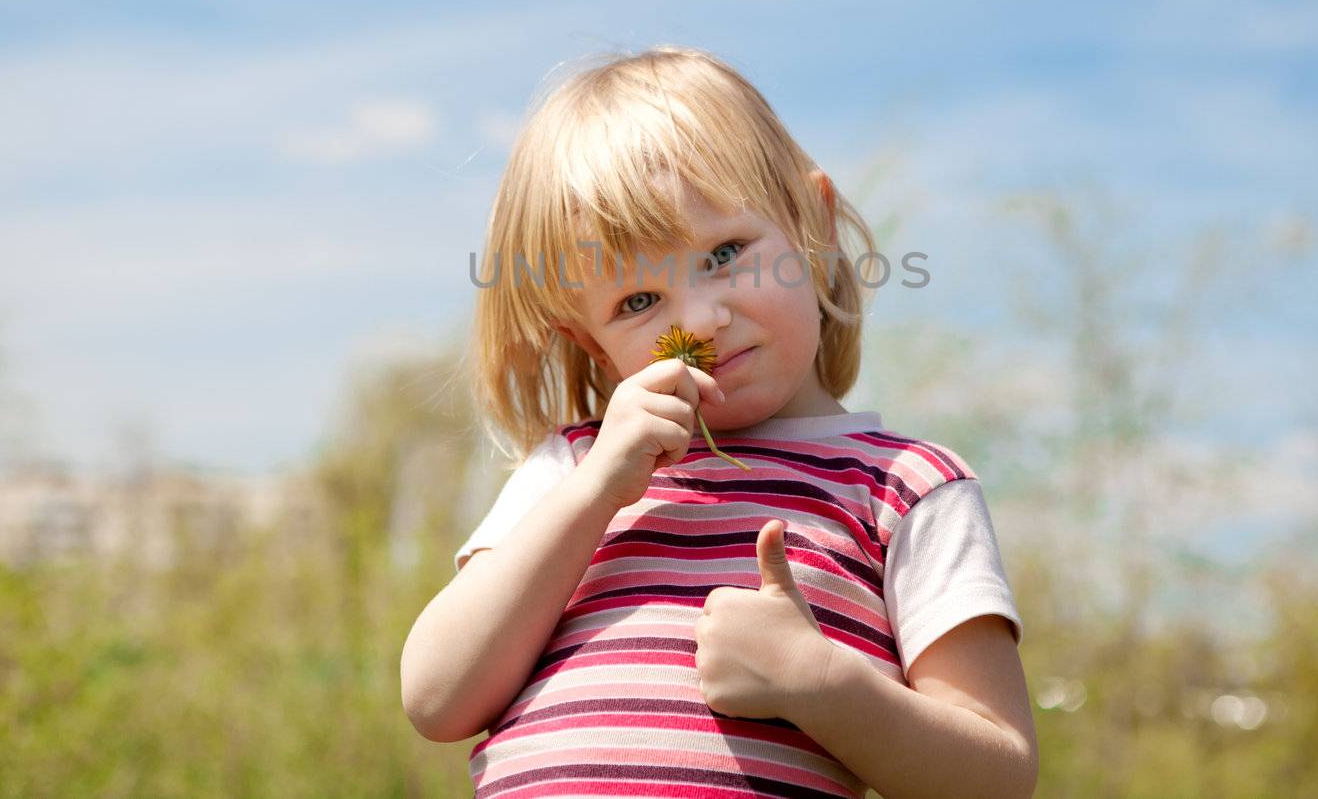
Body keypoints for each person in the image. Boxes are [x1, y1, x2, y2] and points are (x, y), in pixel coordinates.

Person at [400, 46, 1037, 798]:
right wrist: (598, 488)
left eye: (726, 252)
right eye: (637, 302)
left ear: (816, 225)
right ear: (593, 347)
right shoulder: (572, 468)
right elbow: (438, 698)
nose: (700, 319)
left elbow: (995, 776)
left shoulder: (904, 488)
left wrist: (820, 681)